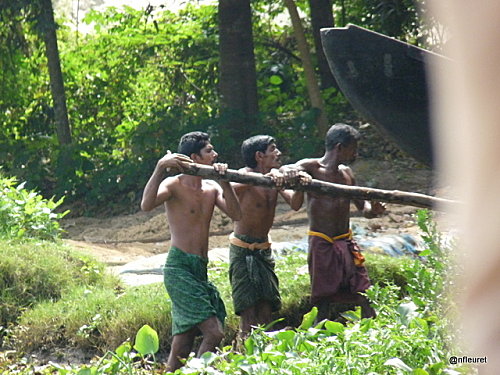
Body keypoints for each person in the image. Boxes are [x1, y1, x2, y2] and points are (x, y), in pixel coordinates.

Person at [140, 131, 241, 372]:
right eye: (209, 151)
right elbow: (146, 205)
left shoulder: (212, 188)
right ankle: (197, 371)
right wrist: (159, 168)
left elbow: (237, 215)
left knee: (182, 344)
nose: (215, 154)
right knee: (214, 332)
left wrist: (225, 180)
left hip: (200, 269)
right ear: (194, 157)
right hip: (179, 267)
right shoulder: (173, 185)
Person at [284, 123, 385, 322]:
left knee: (364, 292)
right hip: (322, 241)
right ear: (340, 147)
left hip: (345, 241)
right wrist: (295, 174)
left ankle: (373, 331)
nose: (356, 153)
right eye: (353, 148)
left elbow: (363, 209)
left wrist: (373, 209)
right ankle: (317, 339)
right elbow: (287, 168)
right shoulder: (311, 167)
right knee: (323, 298)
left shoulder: (347, 173)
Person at [228, 135, 309, 337]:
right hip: (243, 247)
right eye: (273, 149)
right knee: (248, 309)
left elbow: (295, 204)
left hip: (264, 248)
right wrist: (263, 178)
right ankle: (244, 355)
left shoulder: (277, 178)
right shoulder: (243, 176)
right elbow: (226, 191)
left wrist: (299, 185)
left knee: (267, 307)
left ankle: (266, 357)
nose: (278, 153)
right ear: (259, 156)